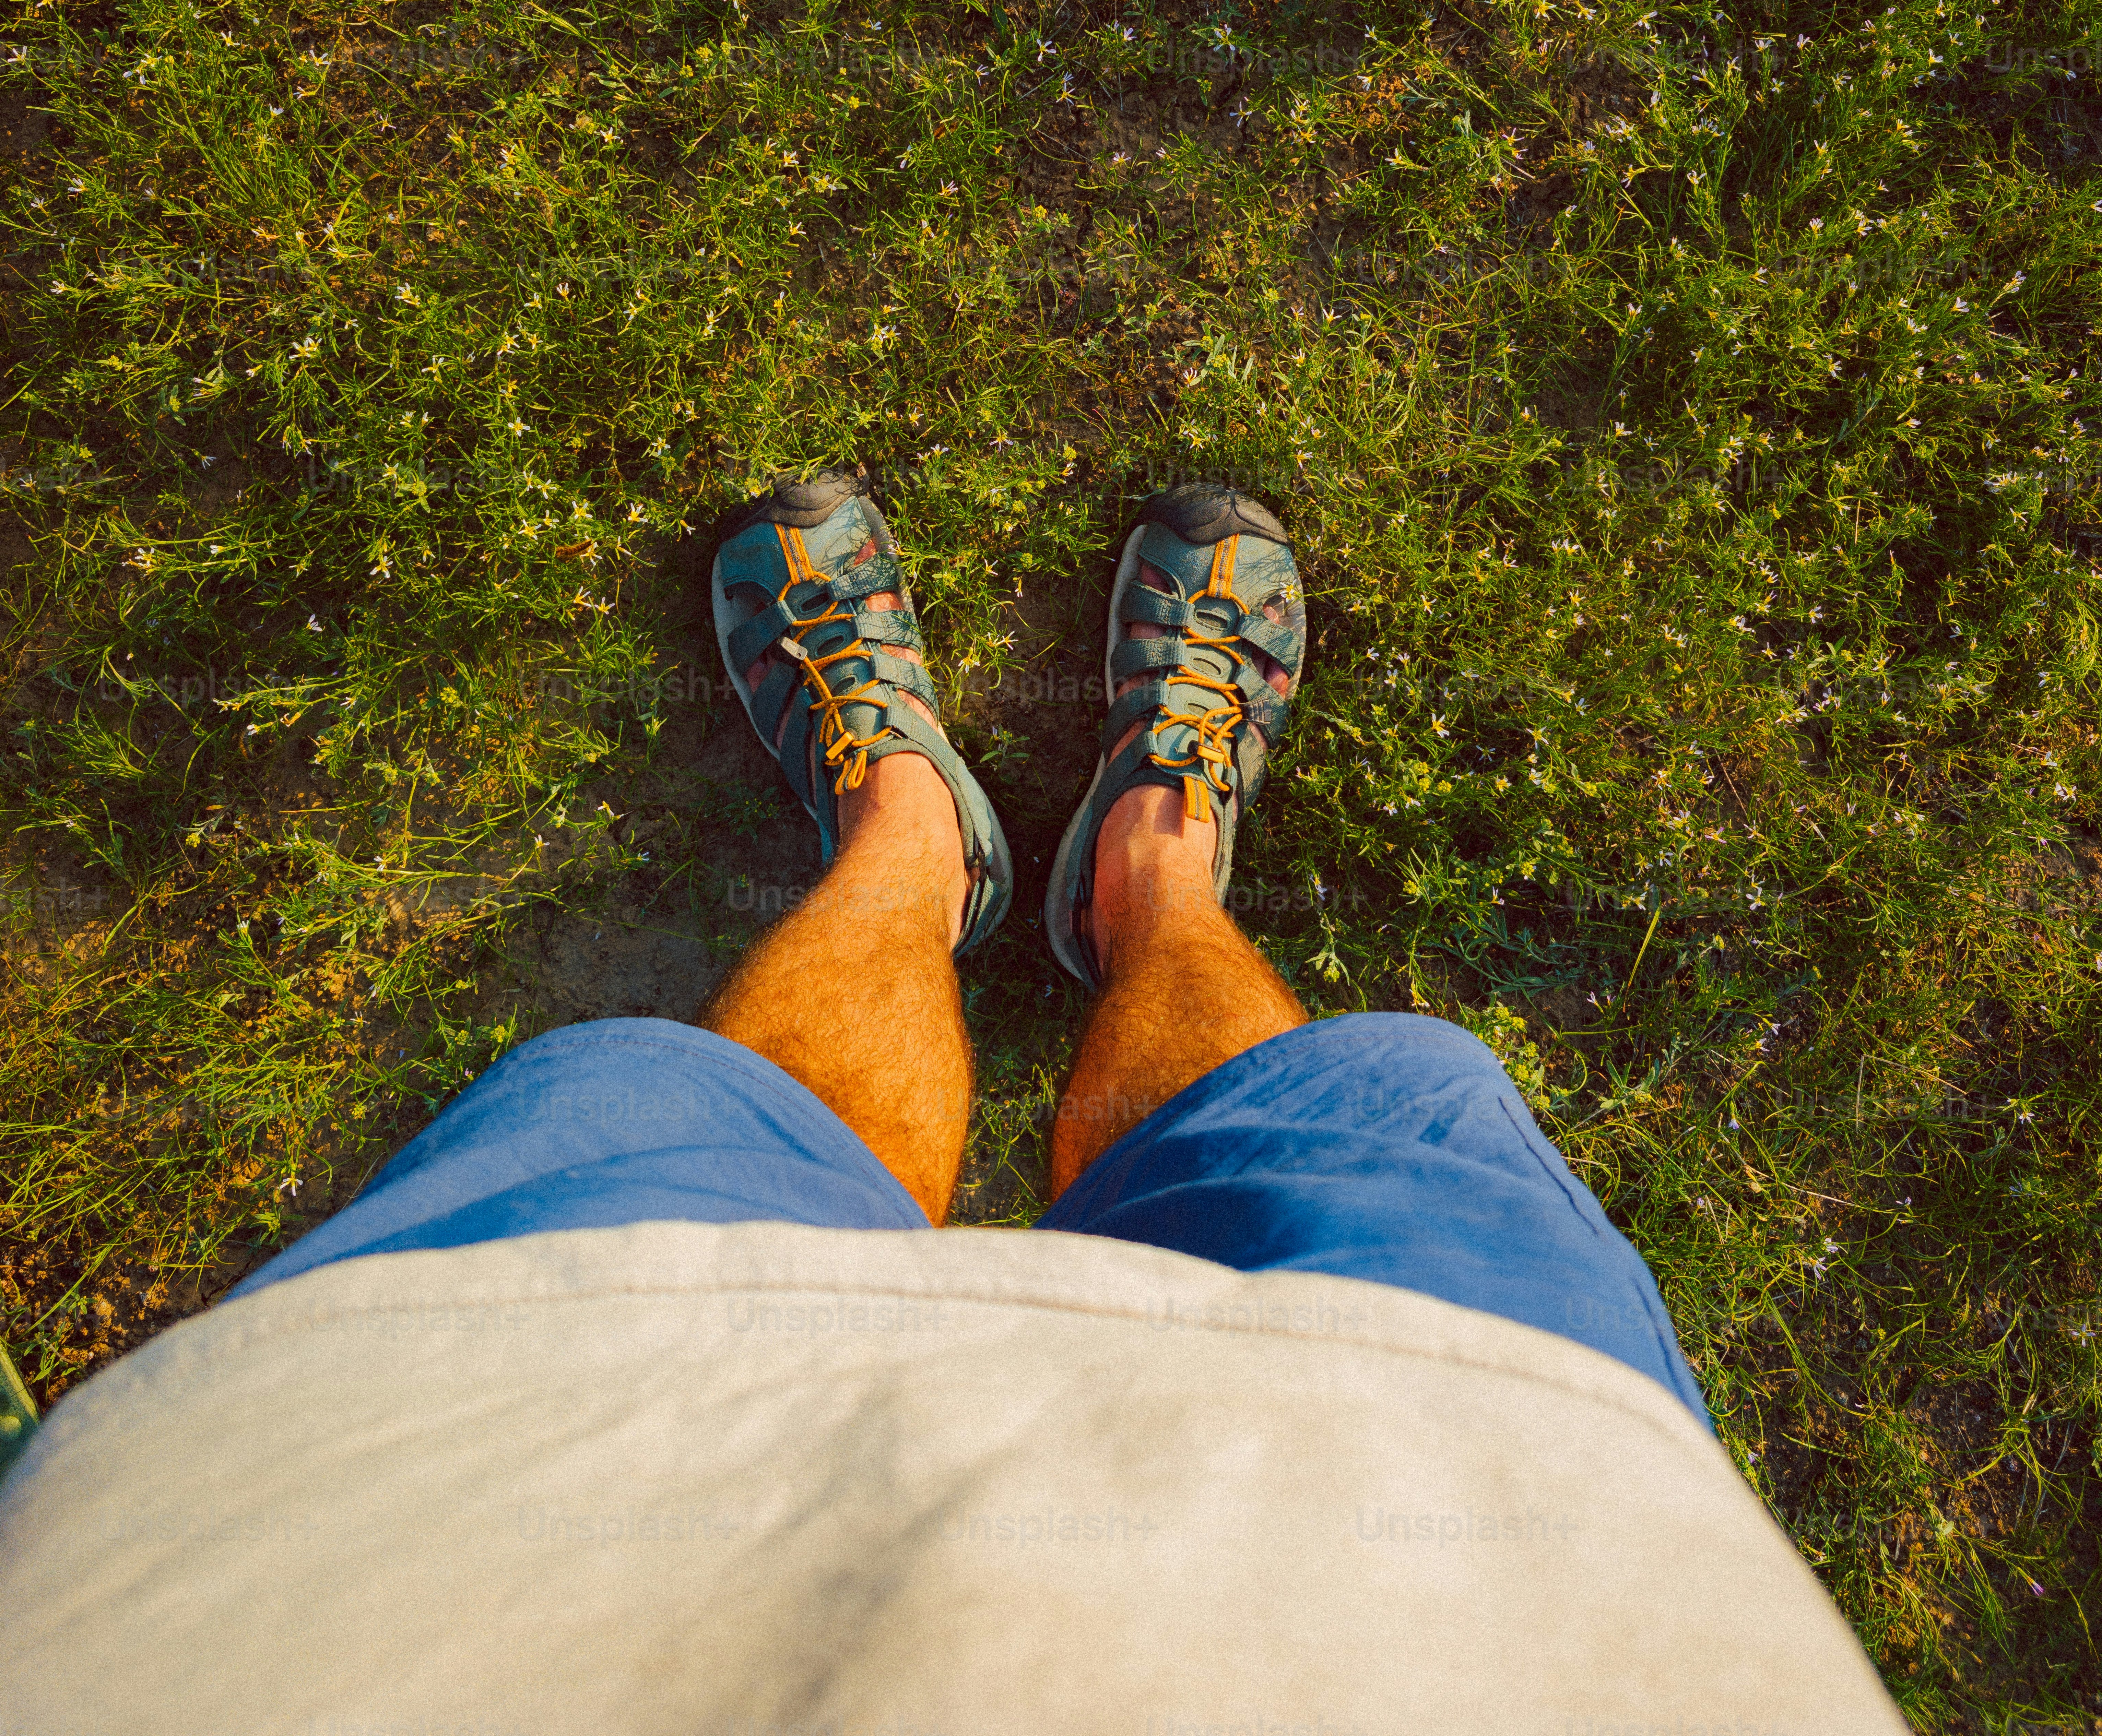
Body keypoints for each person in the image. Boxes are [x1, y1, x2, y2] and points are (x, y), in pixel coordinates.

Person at [4, 474, 1900, 1735]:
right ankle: (1138, 877)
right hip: (1510, 1574)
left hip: (401, 1529)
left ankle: (920, 847)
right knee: (1379, 1110)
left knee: (682, 1131)